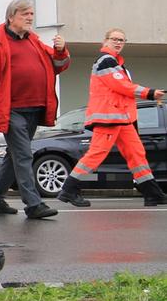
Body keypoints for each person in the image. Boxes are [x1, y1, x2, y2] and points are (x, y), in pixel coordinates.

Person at [0, 0, 70, 219]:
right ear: (11, 17)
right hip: (11, 109)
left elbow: (57, 66)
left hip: (35, 108)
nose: (30, 18)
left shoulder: (33, 40)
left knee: (14, 155)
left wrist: (61, 51)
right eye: (25, 14)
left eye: (32, 14)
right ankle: (33, 204)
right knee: (24, 154)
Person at [56, 29, 165, 208]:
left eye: (122, 40)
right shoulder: (106, 60)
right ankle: (69, 189)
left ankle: (152, 193)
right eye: (114, 39)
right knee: (97, 153)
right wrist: (150, 93)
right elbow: (122, 86)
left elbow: (123, 90)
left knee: (136, 153)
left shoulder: (115, 63)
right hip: (109, 118)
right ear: (105, 41)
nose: (118, 42)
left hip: (121, 118)